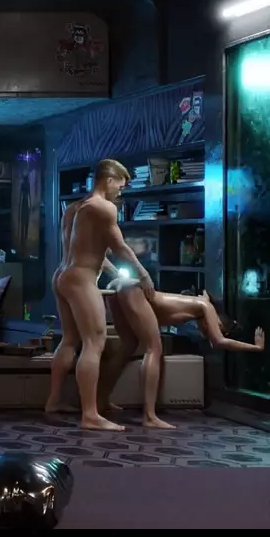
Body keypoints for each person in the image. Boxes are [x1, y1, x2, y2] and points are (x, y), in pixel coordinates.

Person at [44, 159, 154, 431]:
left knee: (70, 339)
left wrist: (115, 272)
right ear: (109, 180)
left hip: (62, 276)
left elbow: (86, 249)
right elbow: (120, 247)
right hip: (81, 280)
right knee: (94, 342)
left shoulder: (75, 208)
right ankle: (90, 415)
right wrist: (143, 274)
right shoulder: (104, 208)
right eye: (120, 186)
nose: (120, 192)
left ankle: (54, 401)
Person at [100, 283, 263, 429]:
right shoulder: (206, 306)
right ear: (219, 322)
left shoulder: (197, 306)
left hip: (120, 286)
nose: (208, 330)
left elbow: (212, 340)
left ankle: (101, 400)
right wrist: (255, 347)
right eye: (214, 327)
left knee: (129, 344)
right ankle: (149, 416)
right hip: (133, 289)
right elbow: (219, 341)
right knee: (154, 348)